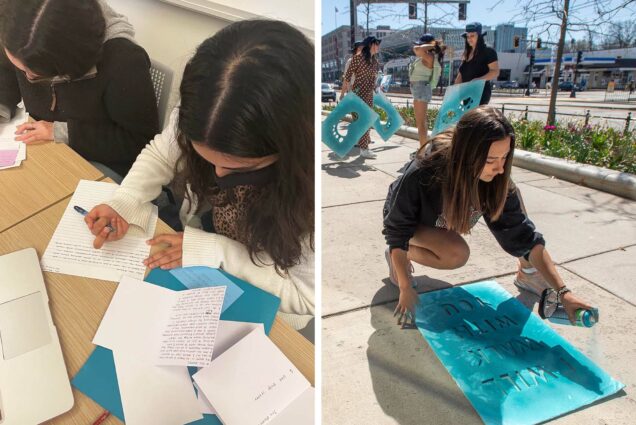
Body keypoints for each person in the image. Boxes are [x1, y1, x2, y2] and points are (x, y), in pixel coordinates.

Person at [83, 20, 314, 329]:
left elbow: (306, 297)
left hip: (266, 298)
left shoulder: (314, 194)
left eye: (240, 168)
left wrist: (217, 252)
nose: (218, 175)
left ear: (290, 146)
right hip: (198, 253)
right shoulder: (208, 105)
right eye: (206, 158)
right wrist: (124, 200)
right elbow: (162, 154)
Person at [382, 106, 592, 323]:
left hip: (442, 220)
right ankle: (398, 256)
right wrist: (405, 286)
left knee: (511, 194)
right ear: (467, 153)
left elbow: (526, 238)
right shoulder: (424, 170)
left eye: (504, 158)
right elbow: (398, 228)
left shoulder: (495, 181)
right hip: (411, 222)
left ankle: (528, 273)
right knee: (456, 253)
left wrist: (563, 292)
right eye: (490, 160)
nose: (500, 169)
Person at [0, 0, 159, 180]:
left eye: (35, 75)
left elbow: (138, 141)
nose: (26, 77)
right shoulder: (21, 35)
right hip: (45, 148)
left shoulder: (124, 61)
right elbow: (6, 69)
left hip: (98, 164)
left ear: (68, 66)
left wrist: (61, 132)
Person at [342, 35, 382, 159]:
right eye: (377, 44)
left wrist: (376, 88)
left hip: (368, 94)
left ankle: (364, 148)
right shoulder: (357, 58)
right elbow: (347, 77)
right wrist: (347, 94)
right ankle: (364, 149)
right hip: (358, 93)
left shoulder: (375, 61)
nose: (379, 46)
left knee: (367, 120)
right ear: (371, 44)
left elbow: (373, 79)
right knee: (363, 120)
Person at [409, 33, 444, 155]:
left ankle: (422, 152)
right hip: (418, 89)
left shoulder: (429, 57)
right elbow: (417, 49)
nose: (419, 46)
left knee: (421, 123)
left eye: (422, 44)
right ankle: (423, 149)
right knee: (421, 122)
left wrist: (432, 44)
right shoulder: (426, 56)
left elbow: (416, 49)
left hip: (421, 89)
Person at [454, 22, 499, 105]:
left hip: (480, 93)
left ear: (480, 36)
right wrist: (454, 92)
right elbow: (461, 74)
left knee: (474, 118)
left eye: (472, 36)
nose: (469, 39)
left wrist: (477, 80)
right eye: (467, 36)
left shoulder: (488, 51)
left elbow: (495, 71)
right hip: (465, 93)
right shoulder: (467, 53)